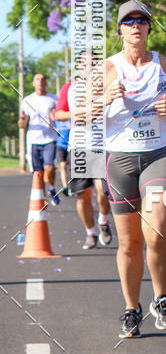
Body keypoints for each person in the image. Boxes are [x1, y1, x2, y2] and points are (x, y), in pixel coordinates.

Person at [104, 0, 166, 338]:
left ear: (149, 27)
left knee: (158, 230)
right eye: (129, 21)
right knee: (129, 243)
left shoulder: (164, 64)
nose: (136, 25)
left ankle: (161, 298)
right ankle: (131, 308)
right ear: (120, 30)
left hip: (156, 155)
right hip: (120, 160)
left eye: (141, 20)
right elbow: (80, 115)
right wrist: (104, 98)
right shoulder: (107, 69)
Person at [54, 57, 113, 249]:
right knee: (82, 195)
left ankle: (103, 221)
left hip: (101, 146)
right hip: (78, 148)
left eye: (93, 63)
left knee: (103, 191)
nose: (89, 67)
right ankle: (90, 233)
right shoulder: (70, 88)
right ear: (78, 67)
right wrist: (76, 115)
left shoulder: (106, 86)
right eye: (84, 64)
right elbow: (58, 114)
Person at [19, 73, 60, 205]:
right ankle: (42, 197)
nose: (40, 81)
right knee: (38, 172)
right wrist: (21, 118)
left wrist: (55, 117)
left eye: (43, 79)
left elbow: (59, 117)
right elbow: (22, 125)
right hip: (33, 140)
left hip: (50, 138)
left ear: (46, 82)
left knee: (49, 167)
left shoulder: (54, 99)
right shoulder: (27, 100)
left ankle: (52, 189)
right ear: (33, 83)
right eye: (37, 79)